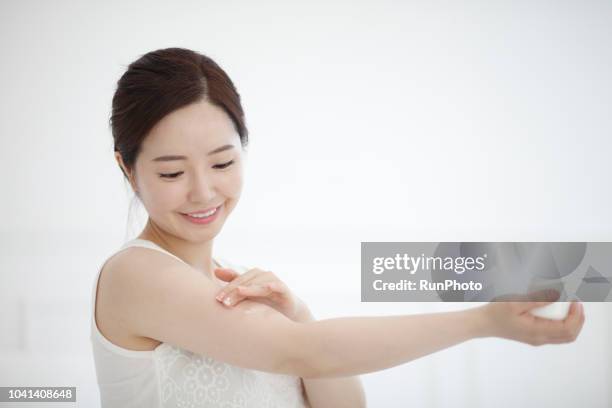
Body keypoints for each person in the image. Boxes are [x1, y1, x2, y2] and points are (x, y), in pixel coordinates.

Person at [90, 47, 585, 408]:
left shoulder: (236, 282)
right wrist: (483, 322)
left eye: (222, 163)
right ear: (126, 168)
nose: (203, 191)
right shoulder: (134, 275)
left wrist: (301, 315)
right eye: (173, 172)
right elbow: (301, 354)